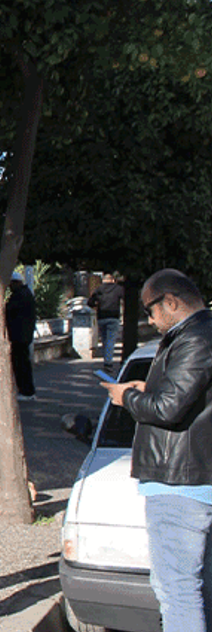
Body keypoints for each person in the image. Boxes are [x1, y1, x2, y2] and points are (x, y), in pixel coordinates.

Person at [100, 269, 212, 632]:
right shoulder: (198, 334)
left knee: (176, 589)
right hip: (188, 477)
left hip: (179, 480)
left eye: (151, 311)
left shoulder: (195, 337)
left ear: (171, 302)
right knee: (190, 588)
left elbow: (168, 409)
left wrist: (127, 397)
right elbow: (190, 396)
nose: (150, 320)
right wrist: (148, 387)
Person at [6, 271, 37, 400]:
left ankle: (26, 391)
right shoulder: (26, 294)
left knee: (21, 365)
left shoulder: (20, 296)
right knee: (23, 364)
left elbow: (9, 311)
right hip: (23, 336)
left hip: (19, 336)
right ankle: (27, 390)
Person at [88, 272, 125, 371]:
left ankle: (106, 359)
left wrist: (97, 305)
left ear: (103, 280)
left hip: (101, 317)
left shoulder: (99, 289)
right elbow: (124, 299)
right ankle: (108, 362)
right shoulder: (118, 289)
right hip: (113, 317)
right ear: (113, 280)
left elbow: (90, 302)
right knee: (110, 340)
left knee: (104, 340)